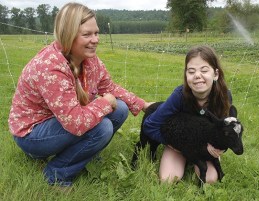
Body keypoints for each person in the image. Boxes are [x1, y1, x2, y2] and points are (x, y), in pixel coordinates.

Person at [8, 2, 151, 187]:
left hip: (59, 122)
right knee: (102, 127)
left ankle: (83, 154)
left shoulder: (88, 59)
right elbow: (75, 122)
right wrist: (104, 104)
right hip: (33, 134)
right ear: (68, 35)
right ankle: (56, 175)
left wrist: (143, 104)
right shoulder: (50, 67)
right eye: (87, 34)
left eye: (96, 33)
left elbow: (109, 87)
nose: (95, 39)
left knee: (121, 108)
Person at [143, 45, 233, 184]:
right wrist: (176, 144)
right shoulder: (179, 96)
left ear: (215, 74)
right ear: (186, 75)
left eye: (204, 70)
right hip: (180, 143)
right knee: (168, 179)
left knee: (209, 179)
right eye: (191, 71)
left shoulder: (224, 96)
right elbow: (150, 125)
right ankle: (182, 158)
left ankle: (193, 160)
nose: (197, 75)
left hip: (204, 146)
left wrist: (219, 148)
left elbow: (225, 131)